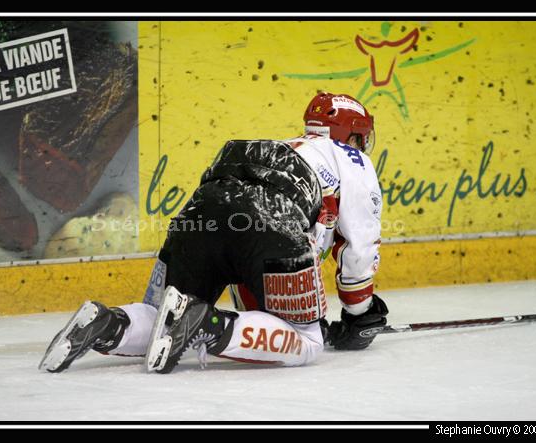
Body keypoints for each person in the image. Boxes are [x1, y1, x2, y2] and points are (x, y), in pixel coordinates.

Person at [38, 92, 388, 374]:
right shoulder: (352, 159)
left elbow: (252, 281)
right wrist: (360, 315)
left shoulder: (285, 146)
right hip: (270, 220)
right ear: (352, 134)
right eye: (361, 136)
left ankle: (107, 323)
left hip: (202, 212)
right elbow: (359, 248)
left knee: (161, 317)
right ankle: (206, 322)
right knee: (307, 341)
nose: (362, 144)